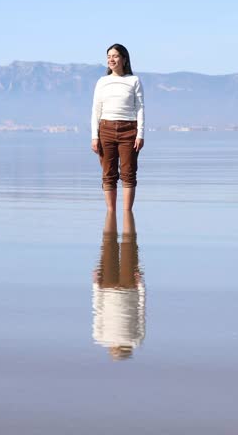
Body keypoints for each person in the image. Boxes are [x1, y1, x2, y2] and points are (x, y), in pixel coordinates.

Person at [91, 43, 145, 212]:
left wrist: (140, 134)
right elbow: (96, 110)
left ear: (124, 59)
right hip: (105, 129)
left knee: (128, 173)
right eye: (108, 56)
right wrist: (94, 136)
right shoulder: (102, 82)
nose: (111, 59)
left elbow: (140, 108)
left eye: (114, 56)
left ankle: (127, 214)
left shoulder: (133, 80)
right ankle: (111, 214)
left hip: (129, 129)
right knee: (108, 174)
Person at [92, 210, 145, 361]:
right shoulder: (101, 338)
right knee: (114, 243)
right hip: (119, 289)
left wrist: (140, 287)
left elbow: (141, 313)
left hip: (121, 288)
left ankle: (113, 211)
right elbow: (98, 311)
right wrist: (96, 285)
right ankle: (117, 211)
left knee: (122, 243)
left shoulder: (135, 340)